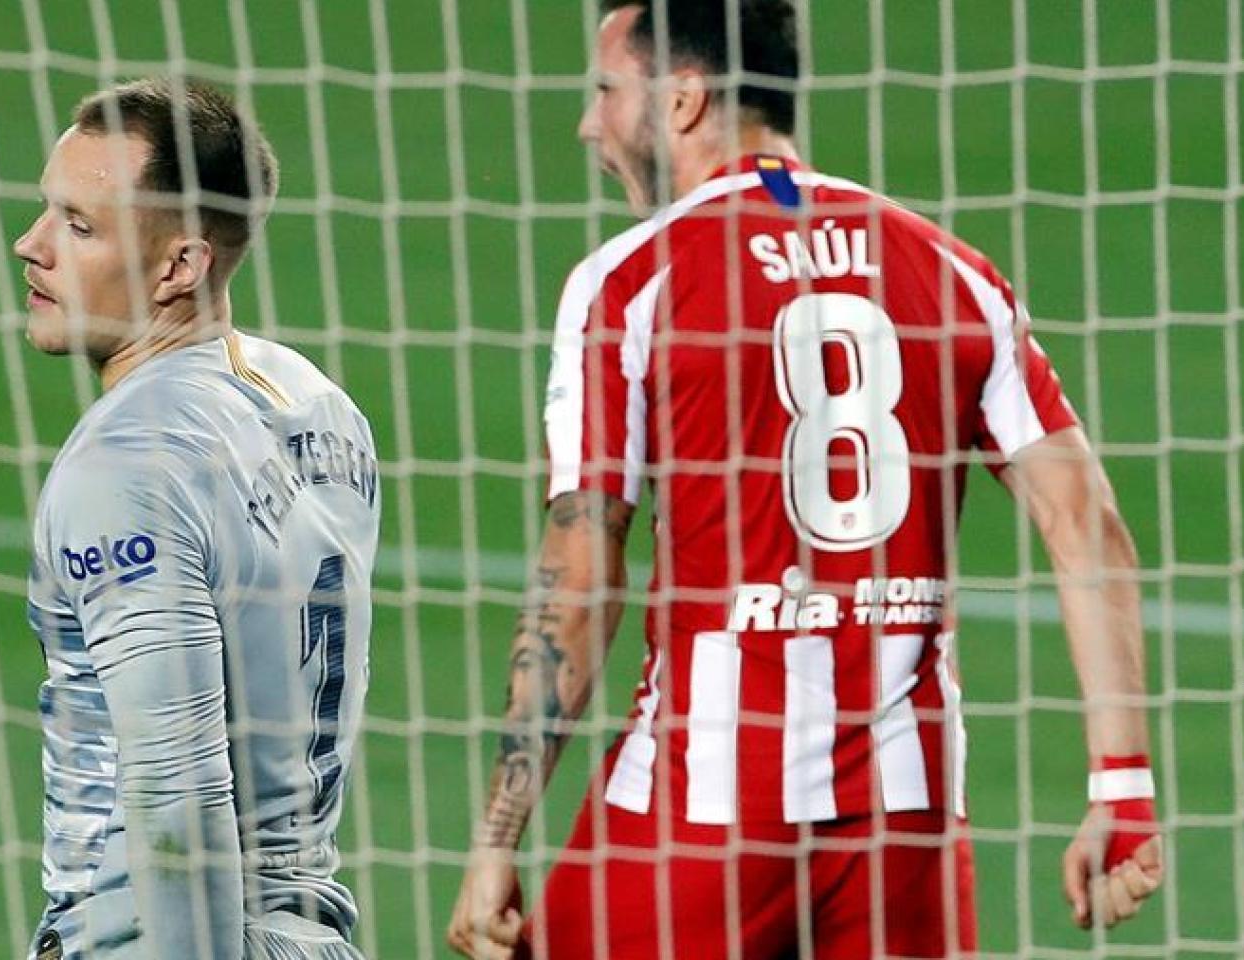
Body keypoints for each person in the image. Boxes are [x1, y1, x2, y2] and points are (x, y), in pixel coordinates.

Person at [446, 2, 1162, 957]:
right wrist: (1122, 784)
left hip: (701, 817)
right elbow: (1087, 523)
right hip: (903, 822)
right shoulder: (950, 268)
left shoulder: (629, 282)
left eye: (607, 92)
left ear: (685, 99)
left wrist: (499, 837)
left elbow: (580, 577)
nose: (591, 123)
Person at [15, 77, 379, 960]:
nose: (31, 247)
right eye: (46, 212)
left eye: (80, 226)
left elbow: (177, 795)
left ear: (180, 266)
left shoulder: (127, 463)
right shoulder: (322, 408)